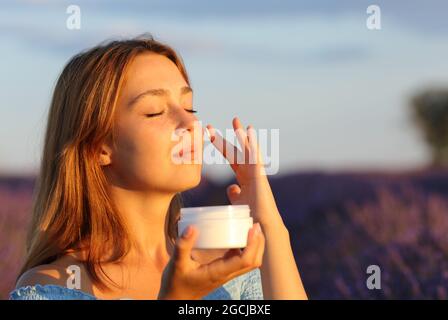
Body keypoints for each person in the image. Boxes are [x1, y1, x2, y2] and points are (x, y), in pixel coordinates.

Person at [10, 34, 307, 300]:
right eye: (155, 112)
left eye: (190, 108)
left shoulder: (231, 269)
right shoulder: (53, 288)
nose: (191, 123)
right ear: (99, 147)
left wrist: (268, 223)